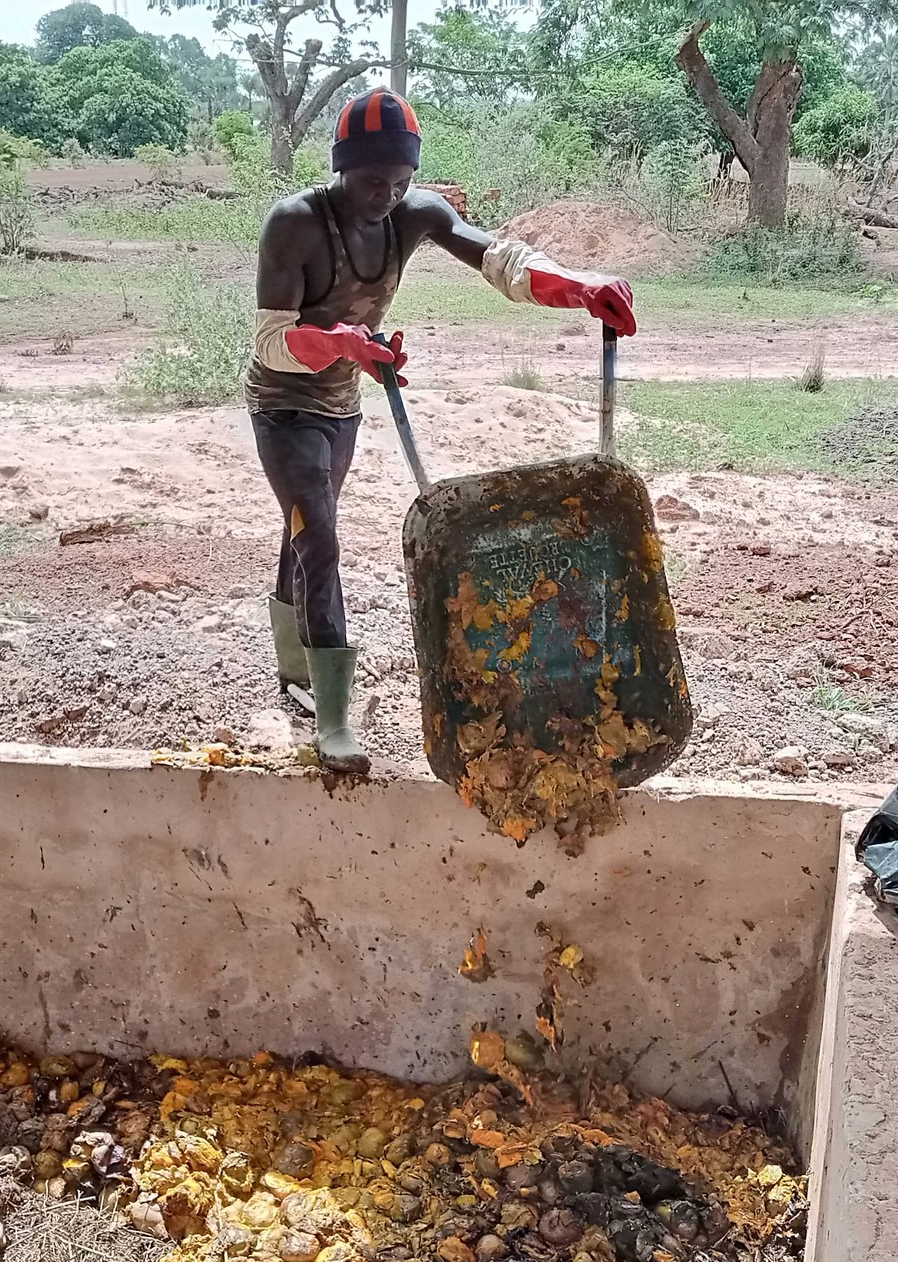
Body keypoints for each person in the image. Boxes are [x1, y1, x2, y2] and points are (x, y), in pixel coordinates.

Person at [247, 87, 639, 775]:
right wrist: (344, 343)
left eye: (400, 182)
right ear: (341, 167)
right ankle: (333, 719)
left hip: (342, 402)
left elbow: (503, 262)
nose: (387, 196)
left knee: (307, 524)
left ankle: (291, 666)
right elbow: (274, 342)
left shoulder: (415, 213)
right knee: (321, 531)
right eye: (373, 180)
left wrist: (581, 287)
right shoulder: (295, 223)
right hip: (284, 403)